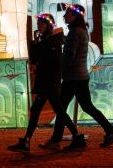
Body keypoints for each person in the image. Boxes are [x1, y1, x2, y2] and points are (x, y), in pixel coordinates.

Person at [45, 4, 113, 150]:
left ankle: (56, 140)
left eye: (67, 14)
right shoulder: (82, 31)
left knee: (61, 107)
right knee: (86, 106)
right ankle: (110, 132)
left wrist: (59, 65)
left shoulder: (74, 32)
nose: (64, 16)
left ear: (74, 16)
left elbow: (70, 55)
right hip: (80, 76)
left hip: (72, 77)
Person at [7, 13, 77, 152]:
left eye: (41, 23)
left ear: (48, 25)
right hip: (46, 82)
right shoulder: (45, 40)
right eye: (38, 23)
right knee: (50, 111)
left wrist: (37, 46)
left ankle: (27, 141)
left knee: (50, 111)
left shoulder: (54, 40)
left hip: (48, 83)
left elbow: (50, 62)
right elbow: (35, 60)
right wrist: (35, 44)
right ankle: (27, 140)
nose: (38, 25)